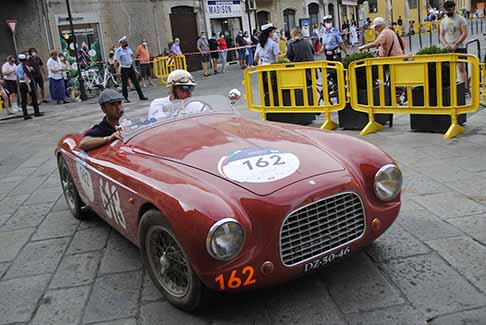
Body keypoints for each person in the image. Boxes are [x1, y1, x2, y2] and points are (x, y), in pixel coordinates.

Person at [440, 0, 468, 90]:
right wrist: (445, 44)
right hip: (448, 48)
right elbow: (441, 35)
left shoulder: (460, 19)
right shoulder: (443, 21)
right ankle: (452, 88)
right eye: (447, 10)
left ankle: (465, 89)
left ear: (454, 8)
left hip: (459, 47)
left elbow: (464, 33)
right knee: (449, 69)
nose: (448, 11)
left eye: (450, 9)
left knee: (461, 69)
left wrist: (456, 44)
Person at [115, 36, 148, 103]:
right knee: (124, 84)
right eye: (125, 42)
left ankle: (141, 96)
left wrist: (132, 60)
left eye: (126, 41)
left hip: (130, 67)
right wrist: (117, 71)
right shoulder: (118, 51)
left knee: (136, 82)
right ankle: (125, 98)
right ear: (121, 43)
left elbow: (132, 55)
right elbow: (116, 61)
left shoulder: (128, 49)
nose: (126, 42)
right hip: (124, 68)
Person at [17, 54, 43, 120]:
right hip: (27, 82)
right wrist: (29, 86)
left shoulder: (17, 67)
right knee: (34, 97)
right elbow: (25, 76)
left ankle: (25, 114)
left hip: (21, 83)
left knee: (23, 100)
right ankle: (36, 112)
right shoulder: (24, 66)